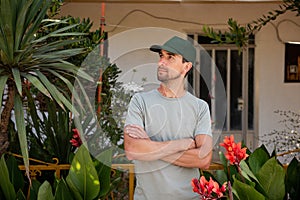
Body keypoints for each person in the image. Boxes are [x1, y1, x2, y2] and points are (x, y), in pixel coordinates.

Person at [124, 36, 213, 200]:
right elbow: (132, 150)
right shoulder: (140, 101)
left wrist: (150, 147)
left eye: (170, 57)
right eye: (161, 56)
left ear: (186, 67)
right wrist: (180, 144)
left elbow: (204, 159)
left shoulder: (200, 107)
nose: (161, 62)